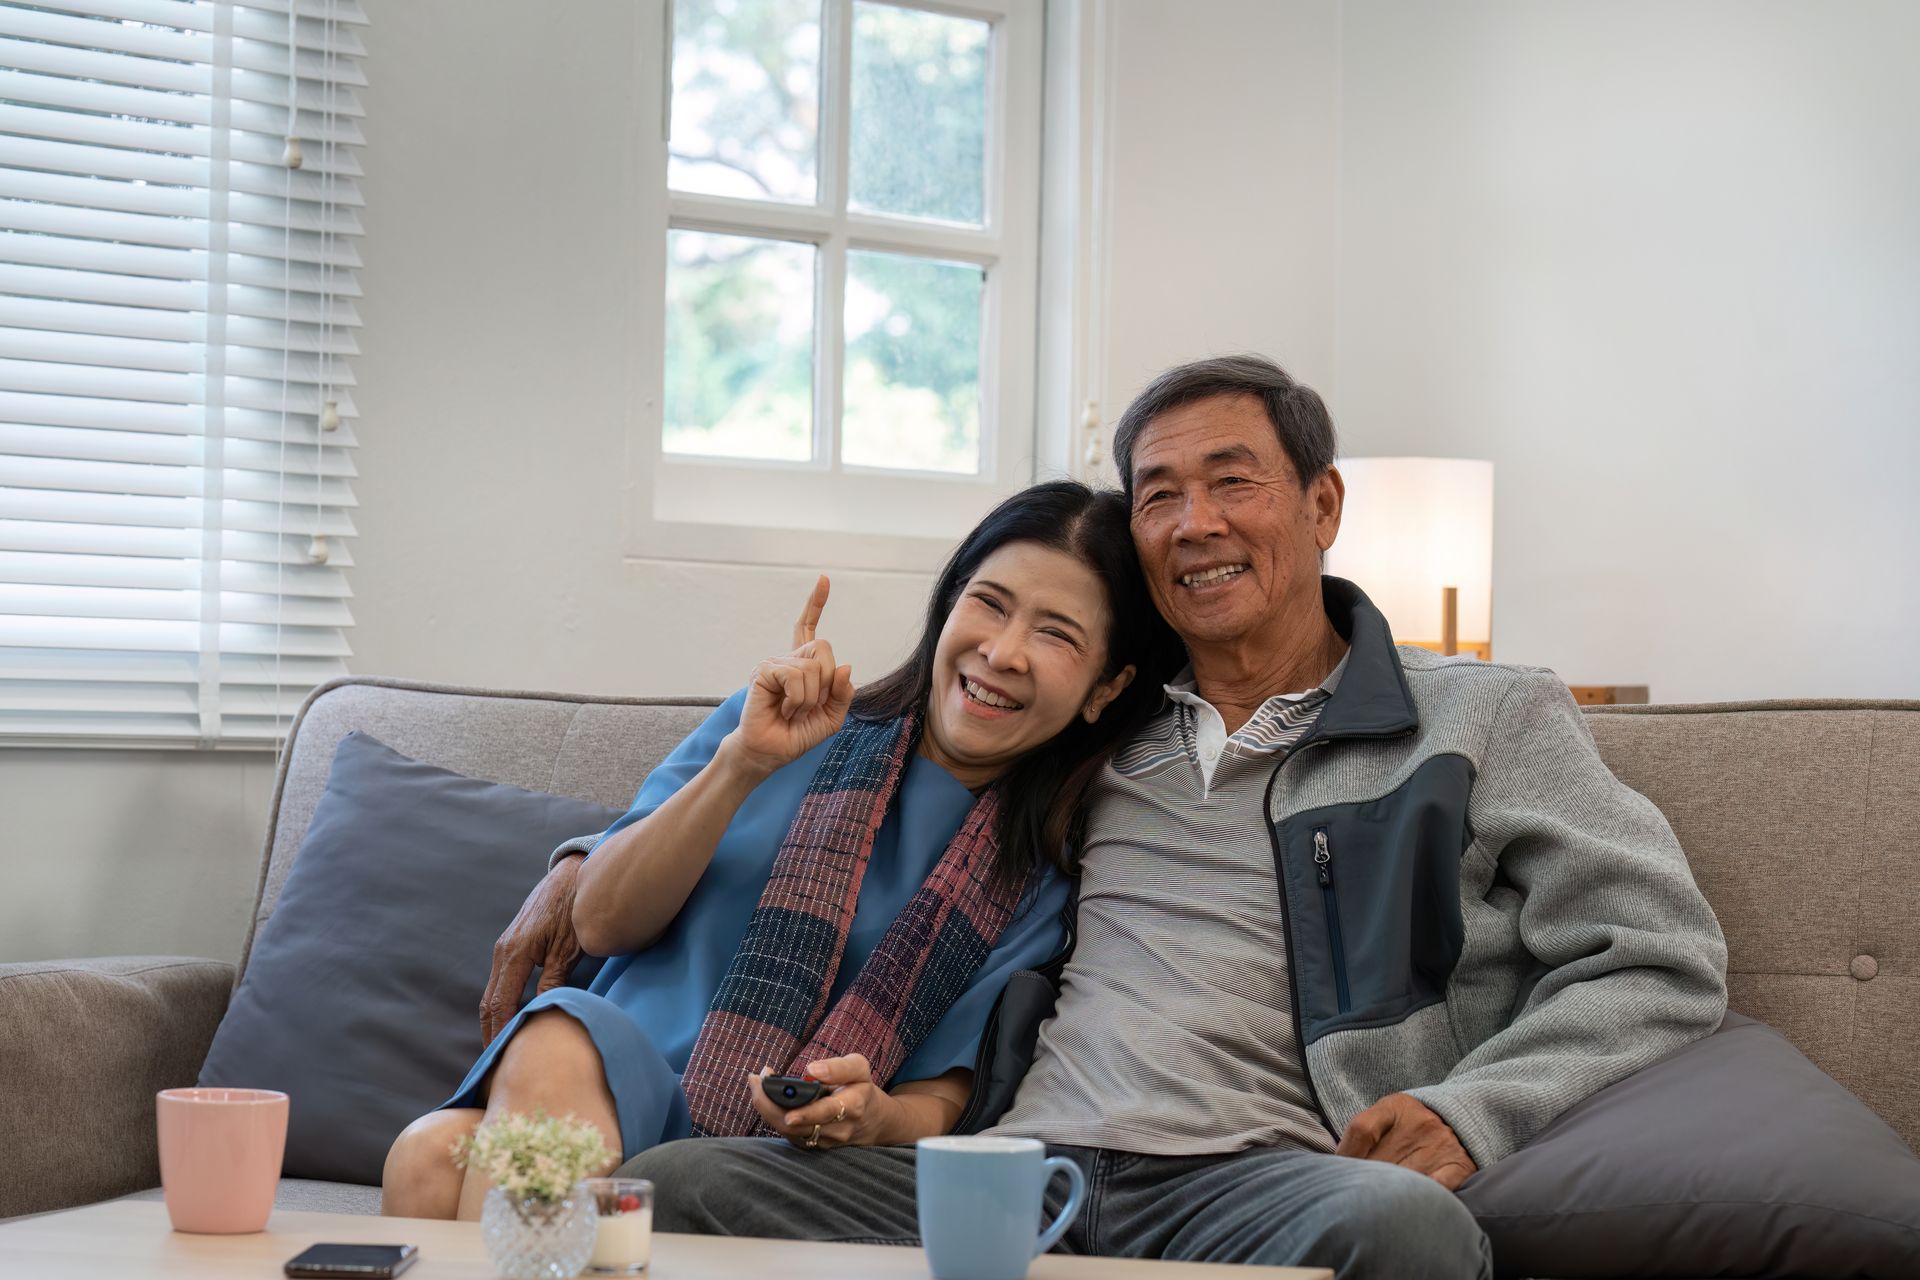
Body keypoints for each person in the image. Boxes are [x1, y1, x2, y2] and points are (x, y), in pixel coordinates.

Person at [485, 356, 1729, 1279]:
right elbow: (897, 766)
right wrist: (581, 856)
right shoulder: (1092, 732)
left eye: (1232, 482)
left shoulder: (1479, 717)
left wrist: (1477, 1109)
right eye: (1159, 495)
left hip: (1262, 1179)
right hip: (1022, 1163)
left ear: (1322, 503)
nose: (1195, 522)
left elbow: (1659, 956)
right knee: (677, 1185)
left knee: (1404, 1227)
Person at [380, 481, 1182, 1220]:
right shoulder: (777, 727)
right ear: (947, 608)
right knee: (453, 1128)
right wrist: (743, 764)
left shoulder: (1036, 876)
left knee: (432, 1161)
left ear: (1106, 688)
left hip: (772, 1156)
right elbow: (602, 923)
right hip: (604, 1081)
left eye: (1056, 635)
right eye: (990, 604)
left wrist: (875, 1116)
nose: (1003, 652)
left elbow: (947, 1091)